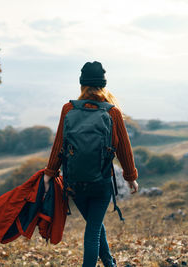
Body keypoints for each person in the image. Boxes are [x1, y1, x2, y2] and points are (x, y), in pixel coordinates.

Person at [43, 61, 139, 267]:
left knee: (95, 226)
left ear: (81, 84)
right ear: (103, 84)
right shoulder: (112, 112)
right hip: (101, 183)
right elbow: (124, 149)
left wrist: (49, 174)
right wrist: (131, 178)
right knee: (94, 230)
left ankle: (109, 263)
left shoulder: (68, 109)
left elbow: (59, 144)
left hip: (74, 183)